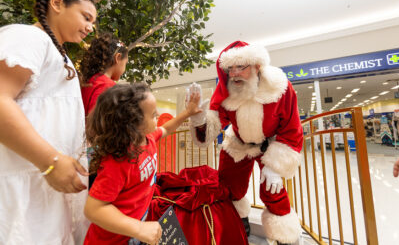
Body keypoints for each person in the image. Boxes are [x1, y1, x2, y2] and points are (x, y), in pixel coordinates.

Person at [0, 0, 97, 244]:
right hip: (23, 189)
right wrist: (50, 160)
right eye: (86, 17)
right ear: (56, 3)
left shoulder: (60, 56)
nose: (90, 27)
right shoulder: (27, 37)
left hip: (46, 194)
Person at [187, 41, 303, 245]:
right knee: (229, 188)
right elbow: (213, 127)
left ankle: (286, 237)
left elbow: (292, 127)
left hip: (271, 144)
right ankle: (239, 222)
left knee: (272, 191)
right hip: (238, 143)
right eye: (230, 68)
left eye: (241, 67)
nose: (234, 74)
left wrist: (275, 167)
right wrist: (199, 120)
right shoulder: (225, 91)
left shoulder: (279, 87)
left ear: (257, 66)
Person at [83, 83, 202, 245]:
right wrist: (138, 228)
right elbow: (93, 209)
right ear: (133, 123)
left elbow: (166, 129)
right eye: (153, 115)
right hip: (111, 240)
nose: (158, 115)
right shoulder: (118, 162)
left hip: (132, 233)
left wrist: (187, 113)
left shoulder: (148, 138)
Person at [80, 33, 129, 116]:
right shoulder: (107, 85)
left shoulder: (89, 81)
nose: (125, 69)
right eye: (125, 63)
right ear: (118, 58)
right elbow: (98, 122)